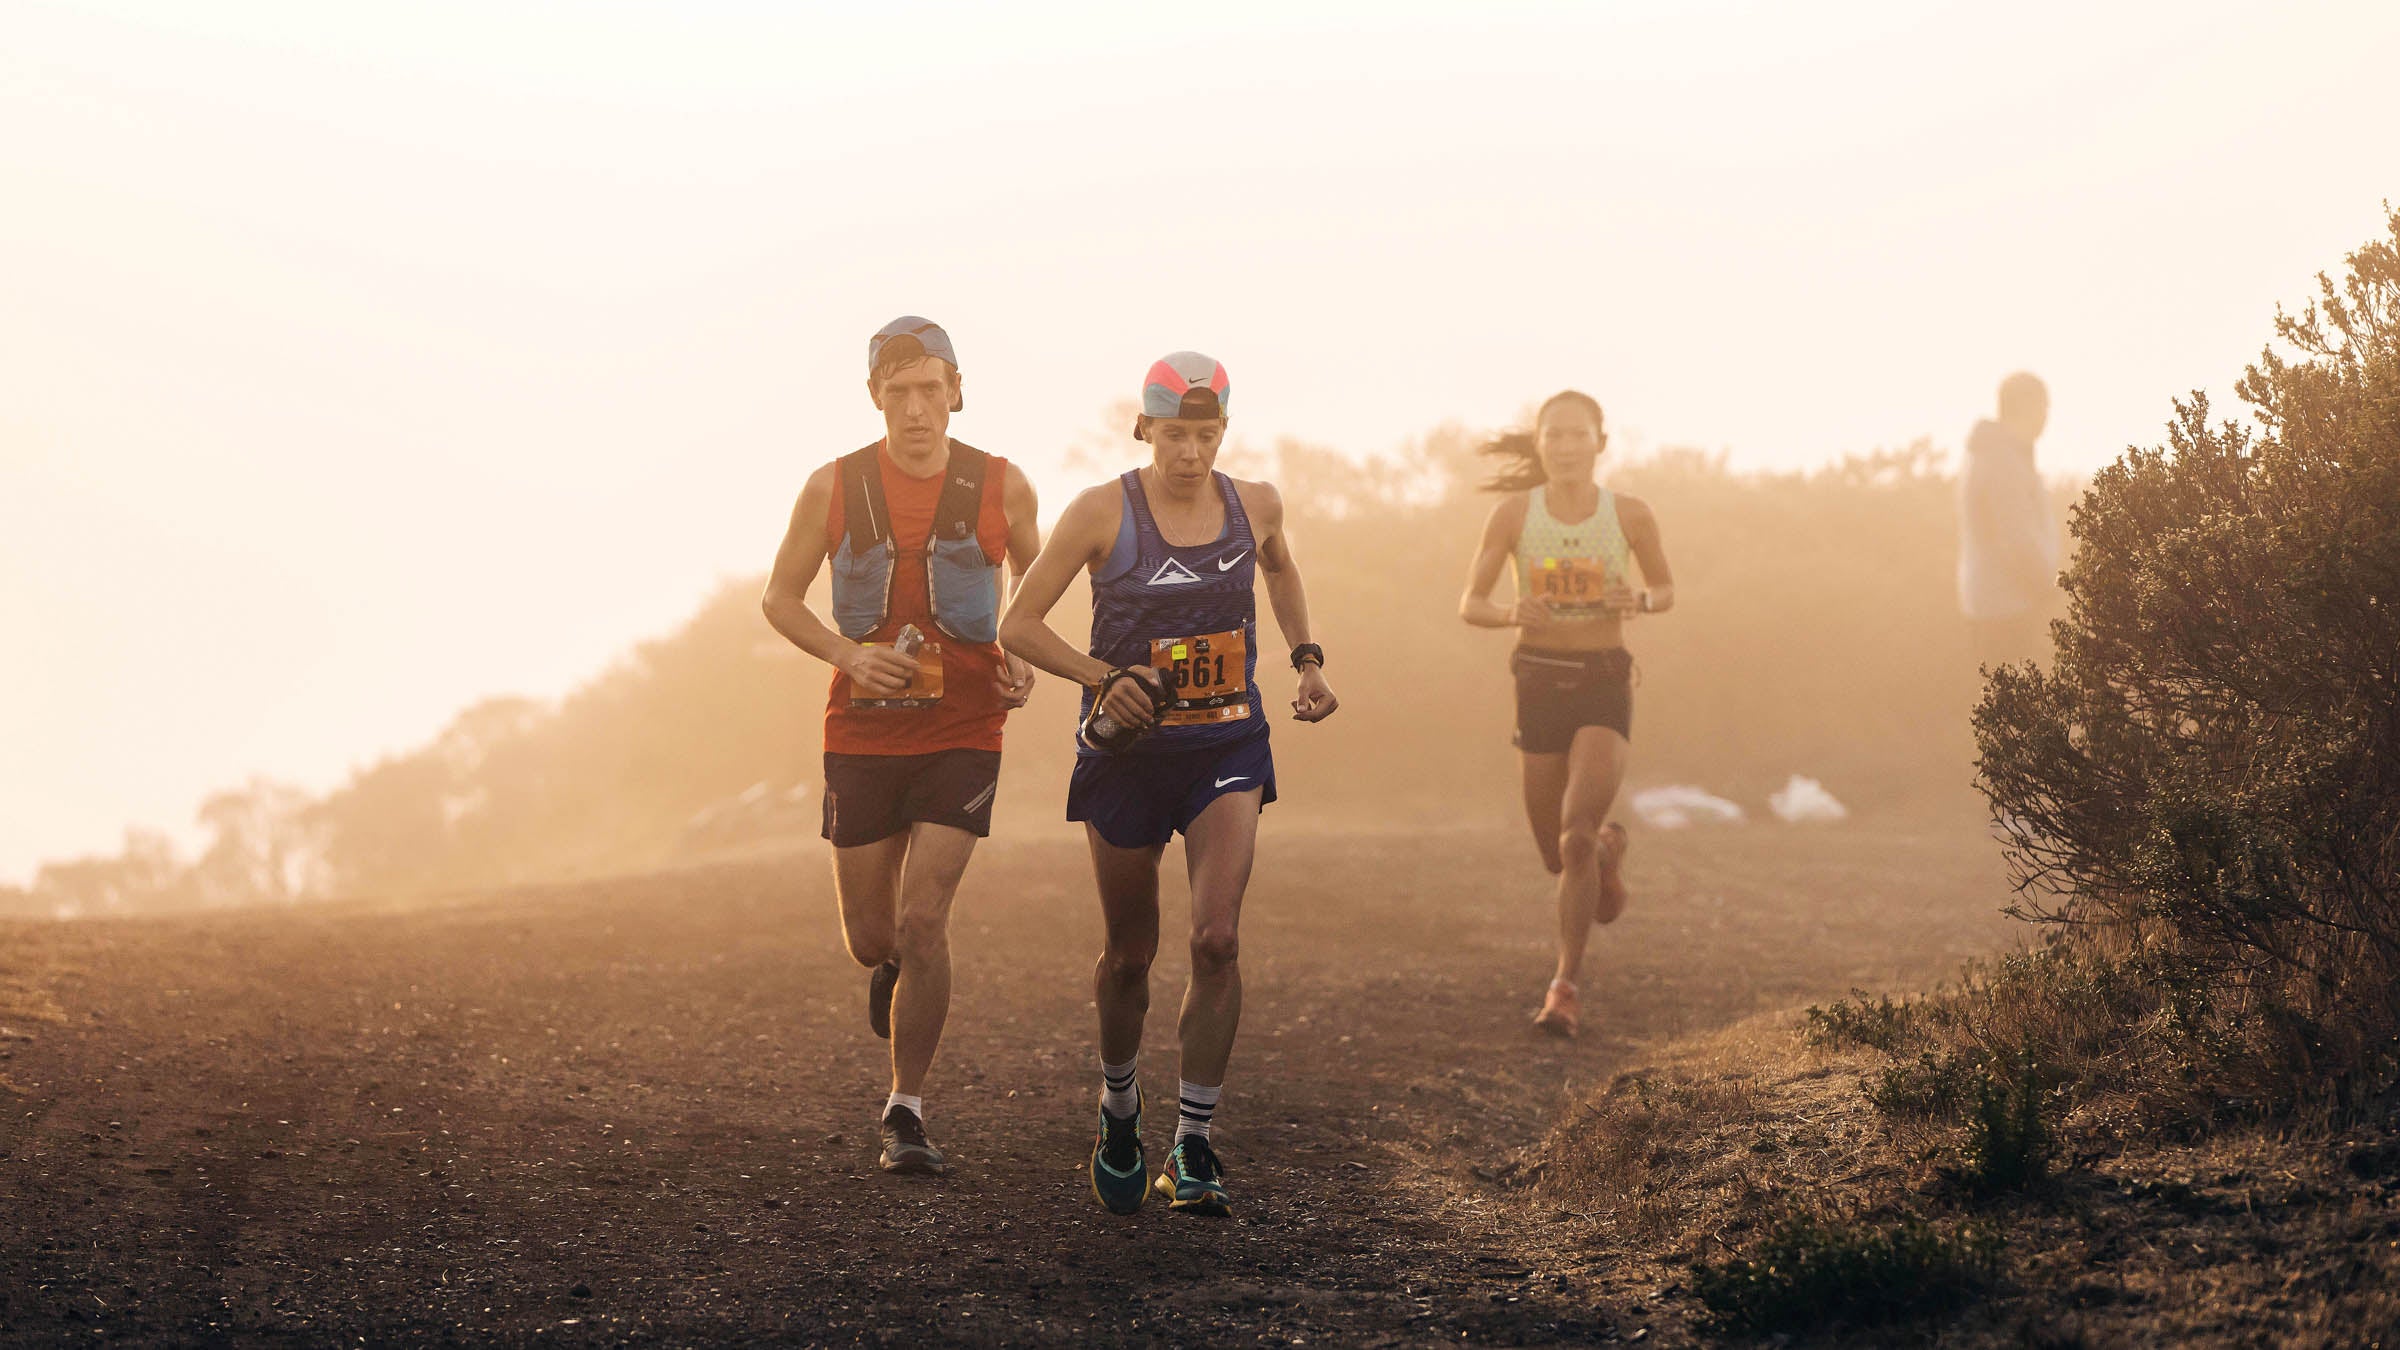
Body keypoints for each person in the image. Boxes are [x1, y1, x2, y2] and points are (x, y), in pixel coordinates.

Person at [998, 352, 1338, 1217]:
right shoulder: (1100, 510)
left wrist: (1306, 658)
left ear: (1224, 432)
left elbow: (1280, 566)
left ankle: (1193, 1142)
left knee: (1217, 940)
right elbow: (1019, 624)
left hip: (1227, 745)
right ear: (1145, 428)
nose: (1191, 452)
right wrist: (1100, 677)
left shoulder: (1255, 503)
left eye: (1207, 435)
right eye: (1176, 435)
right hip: (1125, 757)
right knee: (1129, 956)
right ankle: (1120, 1108)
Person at [761, 316, 1040, 1175]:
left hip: (966, 731)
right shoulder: (832, 486)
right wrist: (848, 656)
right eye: (898, 393)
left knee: (925, 922)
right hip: (862, 734)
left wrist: (1021, 651)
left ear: (956, 391)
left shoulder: (1004, 485)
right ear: (874, 397)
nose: (915, 409)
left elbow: (1036, 577)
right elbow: (779, 598)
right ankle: (887, 967)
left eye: (929, 390)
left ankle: (905, 1111)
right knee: (873, 935)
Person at [1456, 391, 1674, 1038]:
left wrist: (1637, 599)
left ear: (1600, 442)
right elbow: (1471, 602)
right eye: (1554, 435)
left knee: (1573, 833)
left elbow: (1665, 588)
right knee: (1558, 856)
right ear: (1540, 442)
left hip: (1604, 679)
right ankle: (1606, 852)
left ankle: (1564, 988)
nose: (1567, 446)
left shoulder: (1629, 513)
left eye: (1579, 435)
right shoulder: (1513, 514)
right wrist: (1510, 612)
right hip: (1539, 681)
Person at [1959, 372, 2059, 669]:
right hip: (2007, 608)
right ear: (2025, 406)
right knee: (2017, 690)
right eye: (2044, 406)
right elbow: (2015, 538)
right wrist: (2046, 586)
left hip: (2001, 604)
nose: (2047, 416)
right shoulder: (2001, 460)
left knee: (2011, 690)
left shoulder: (1999, 454)